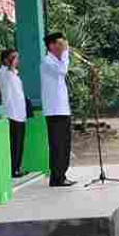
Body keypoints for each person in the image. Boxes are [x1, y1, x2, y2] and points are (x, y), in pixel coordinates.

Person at [41, 33, 76, 187]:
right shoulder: (47, 61)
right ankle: (56, 177)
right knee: (57, 145)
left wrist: (64, 54)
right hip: (54, 111)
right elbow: (63, 71)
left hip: (62, 109)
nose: (62, 47)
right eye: (60, 44)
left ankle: (62, 174)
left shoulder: (57, 60)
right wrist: (66, 52)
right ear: (52, 45)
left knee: (65, 144)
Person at [0, 49, 27, 178]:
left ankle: (17, 167)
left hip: (19, 112)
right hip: (11, 113)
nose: (17, 61)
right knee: (14, 144)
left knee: (19, 143)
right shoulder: (4, 73)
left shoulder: (12, 73)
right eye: (14, 58)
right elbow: (7, 95)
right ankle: (13, 169)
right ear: (6, 60)